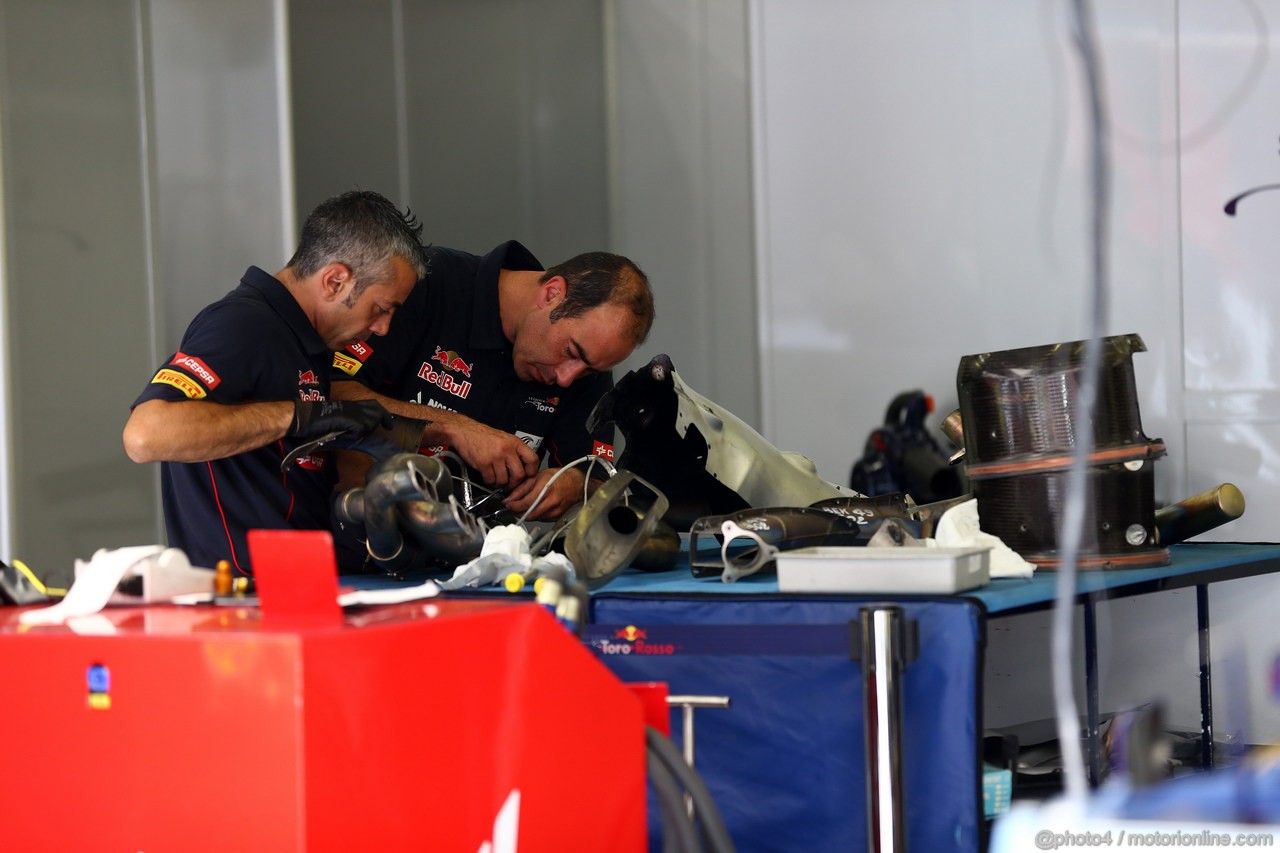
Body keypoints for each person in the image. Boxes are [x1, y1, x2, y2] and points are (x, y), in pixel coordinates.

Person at [123, 190, 426, 574]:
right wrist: (301, 416)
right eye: (380, 309)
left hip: (298, 591)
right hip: (238, 609)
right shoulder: (243, 325)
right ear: (335, 281)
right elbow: (146, 434)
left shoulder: (305, 345)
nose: (382, 328)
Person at [332, 240, 655, 523]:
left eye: (588, 369)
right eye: (570, 352)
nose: (567, 378)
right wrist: (454, 428)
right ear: (552, 293)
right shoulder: (426, 283)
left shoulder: (587, 363)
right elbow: (329, 393)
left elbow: (599, 478)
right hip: (350, 541)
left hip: (472, 565)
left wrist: (574, 484)